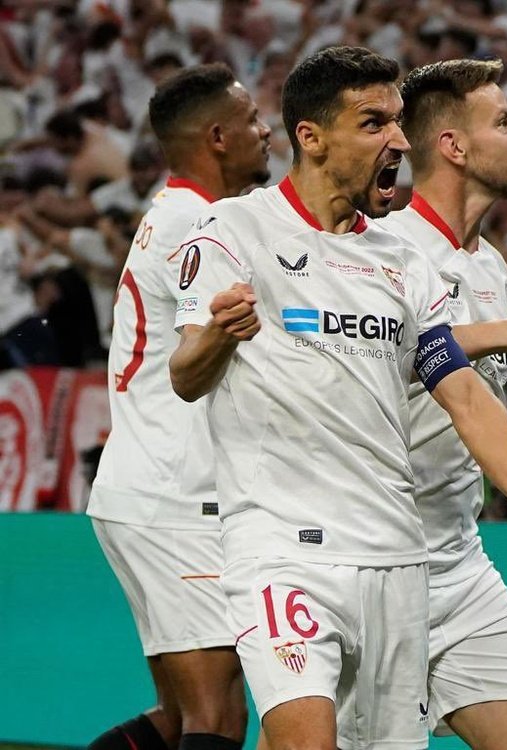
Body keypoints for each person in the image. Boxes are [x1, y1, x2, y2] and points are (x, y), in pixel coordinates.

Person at [167, 46, 507, 750]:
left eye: (395, 122)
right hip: (282, 551)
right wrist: (216, 336)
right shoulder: (234, 233)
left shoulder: (403, 261)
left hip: (398, 555)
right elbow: (185, 376)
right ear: (311, 136)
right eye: (373, 123)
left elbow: (466, 397)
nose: (396, 139)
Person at [374, 58, 507, 750]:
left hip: (457, 560)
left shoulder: (489, 267)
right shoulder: (385, 249)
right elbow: (379, 360)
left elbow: (477, 407)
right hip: (371, 558)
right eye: (505, 123)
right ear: (453, 147)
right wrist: (506, 331)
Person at [85, 63, 271, 750]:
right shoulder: (199, 225)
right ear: (218, 136)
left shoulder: (174, 214)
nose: (266, 129)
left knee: (175, 717)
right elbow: (208, 346)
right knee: (217, 718)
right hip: (175, 499)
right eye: (253, 120)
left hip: (146, 490)